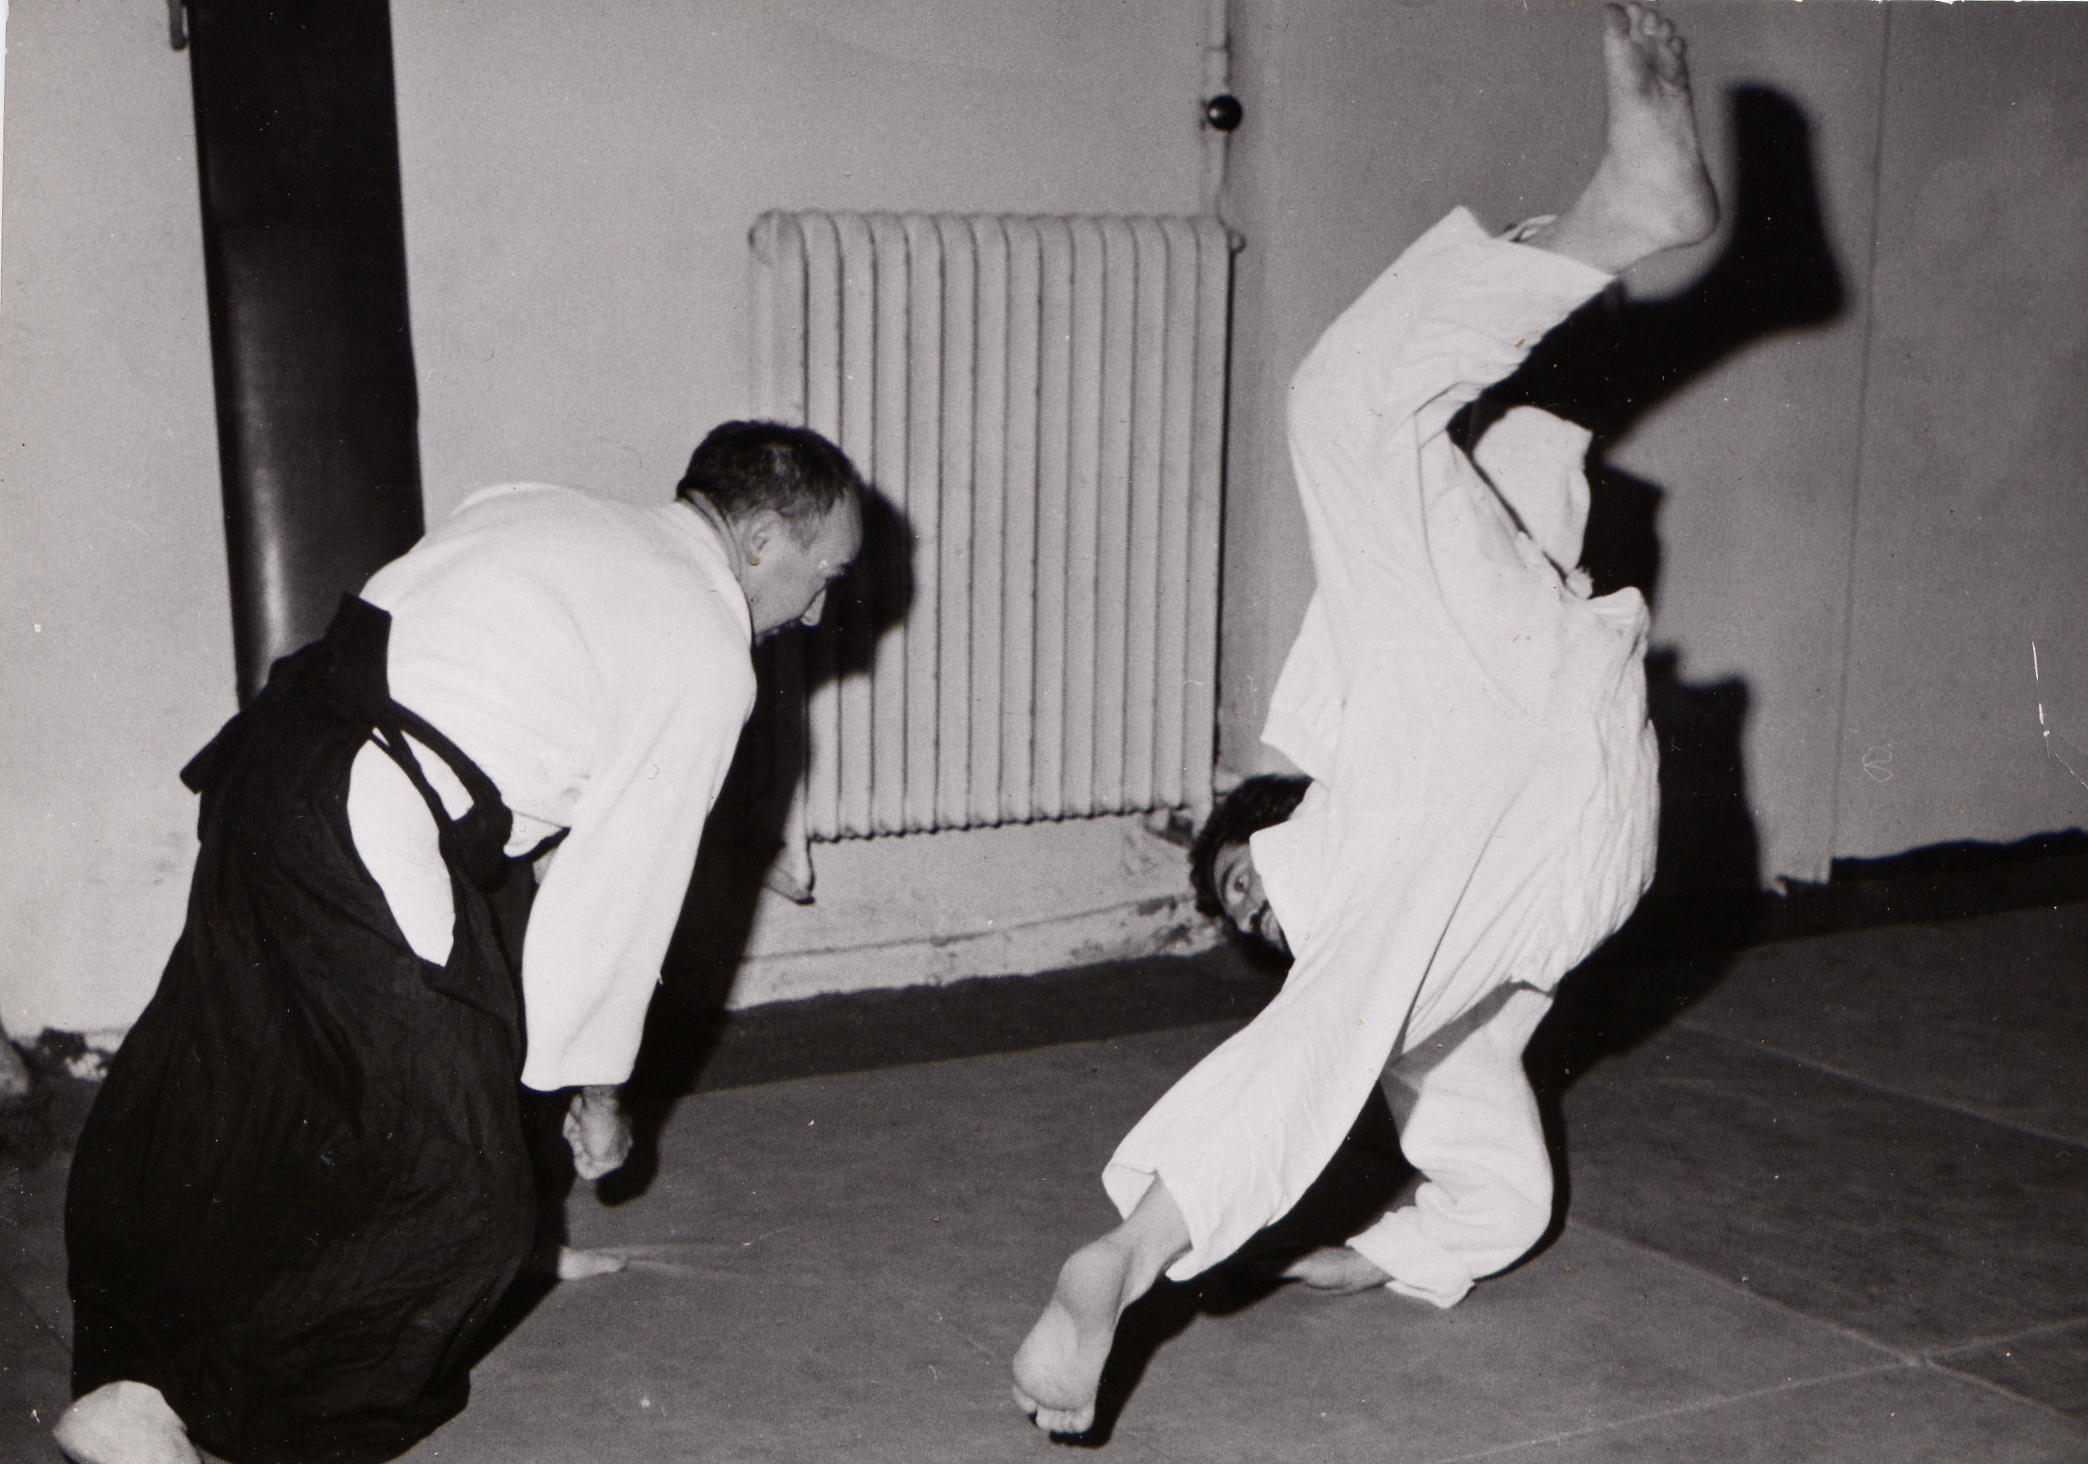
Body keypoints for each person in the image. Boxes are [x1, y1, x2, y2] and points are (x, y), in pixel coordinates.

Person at [1013, 2, 1718, 1435]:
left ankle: (1131, 1253)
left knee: (1351, 410)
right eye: (1242, 918)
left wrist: (1393, 1250)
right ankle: (1608, 229)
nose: (1253, 908)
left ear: (1284, 815)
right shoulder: (1397, 973)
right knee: (1349, 1011)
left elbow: (1501, 1191)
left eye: (1240, 878)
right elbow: (1337, 1031)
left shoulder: (1359, 804)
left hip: (1533, 789)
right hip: (1562, 824)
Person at [57, 421, 864, 1464]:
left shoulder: (552, 507)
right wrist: (599, 1096)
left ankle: (120, 1380)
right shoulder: (705, 651)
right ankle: (242, 1419)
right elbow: (613, 904)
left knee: (229, 1065)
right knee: (457, 1188)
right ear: (759, 542)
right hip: (366, 819)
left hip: (274, 763)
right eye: (824, 576)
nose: (820, 611)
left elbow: (528, 828)